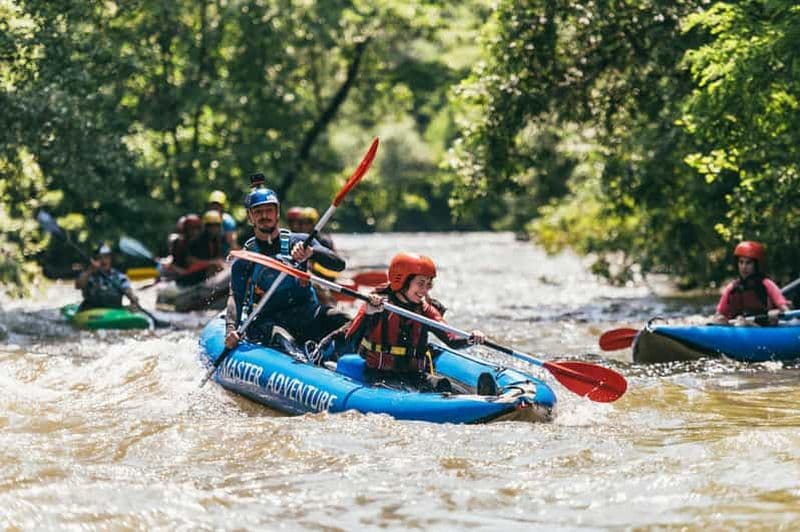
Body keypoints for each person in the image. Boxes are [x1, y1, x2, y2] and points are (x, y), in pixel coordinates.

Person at [344, 252, 492, 393]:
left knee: (443, 384)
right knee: (401, 388)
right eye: (421, 283)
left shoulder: (425, 309)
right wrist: (368, 313)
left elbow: (451, 339)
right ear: (402, 281)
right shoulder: (377, 306)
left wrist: (470, 337)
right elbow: (350, 340)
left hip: (414, 375)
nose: (425, 290)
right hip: (380, 374)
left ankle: (484, 397)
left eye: (428, 284)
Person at [224, 187, 349, 352]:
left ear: (277, 213)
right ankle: (299, 359)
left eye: (269, 210)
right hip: (270, 321)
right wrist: (231, 329)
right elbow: (236, 297)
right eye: (258, 212)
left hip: (308, 314)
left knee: (345, 320)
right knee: (281, 337)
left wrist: (312, 252)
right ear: (250, 217)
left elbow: (339, 265)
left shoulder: (300, 241)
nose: (264, 215)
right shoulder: (245, 258)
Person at [712, 241, 790, 325]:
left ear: (756, 265)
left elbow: (786, 311)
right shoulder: (732, 288)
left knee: (742, 322)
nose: (744, 267)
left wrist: (778, 312)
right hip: (737, 324)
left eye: (748, 263)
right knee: (719, 319)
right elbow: (719, 314)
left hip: (763, 326)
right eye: (741, 262)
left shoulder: (767, 284)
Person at [75, 242, 140, 311]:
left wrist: (133, 299)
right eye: (100, 258)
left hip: (113, 312)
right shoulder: (88, 275)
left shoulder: (119, 277)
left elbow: (128, 291)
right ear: (94, 260)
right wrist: (90, 270)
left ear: (111, 258)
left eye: (106, 257)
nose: (103, 260)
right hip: (90, 311)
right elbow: (78, 285)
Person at [181, 210, 226, 287]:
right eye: (210, 225)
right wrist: (211, 263)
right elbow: (190, 261)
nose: (214, 228)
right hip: (195, 274)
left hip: (208, 271)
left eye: (216, 225)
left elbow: (218, 258)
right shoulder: (197, 240)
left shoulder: (217, 240)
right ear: (205, 226)